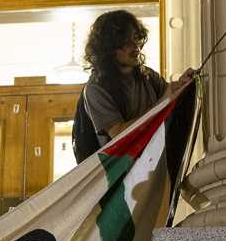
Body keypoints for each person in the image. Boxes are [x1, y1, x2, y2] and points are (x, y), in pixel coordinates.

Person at [81, 9, 194, 147]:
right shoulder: (95, 88)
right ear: (108, 48)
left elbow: (170, 99)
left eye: (135, 38)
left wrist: (182, 84)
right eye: (125, 41)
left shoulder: (147, 76)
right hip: (125, 167)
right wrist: (164, 101)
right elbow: (119, 134)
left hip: (156, 161)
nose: (135, 46)